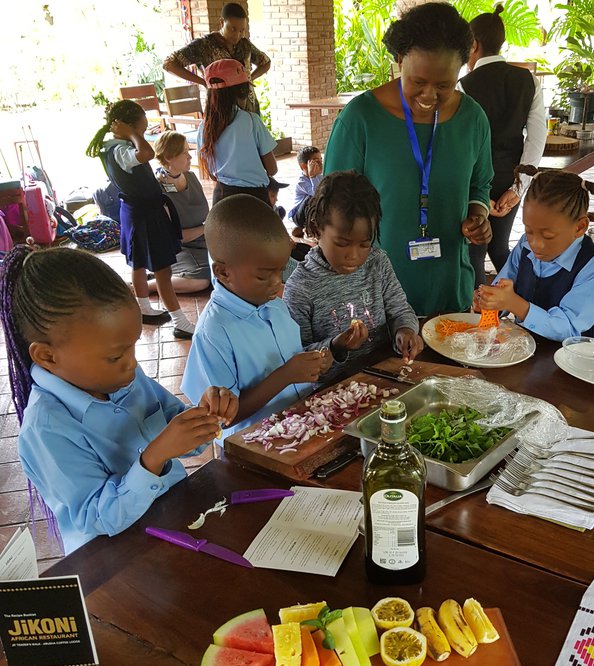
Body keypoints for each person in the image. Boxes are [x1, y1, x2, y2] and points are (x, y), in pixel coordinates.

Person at [0, 245, 237, 554]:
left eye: (133, 347)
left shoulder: (125, 378)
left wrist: (204, 416)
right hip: (116, 559)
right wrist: (153, 458)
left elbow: (182, 435)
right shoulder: (46, 429)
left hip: (174, 521)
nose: (133, 364)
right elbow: (97, 518)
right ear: (47, 355)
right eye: (115, 356)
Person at [323, 2, 493, 317]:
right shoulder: (361, 119)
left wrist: (477, 216)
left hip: (449, 288)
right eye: (418, 82)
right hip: (375, 298)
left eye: (444, 85)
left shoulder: (472, 119)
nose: (429, 95)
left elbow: (479, 184)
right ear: (399, 59)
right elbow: (333, 205)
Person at [181, 195, 332, 437]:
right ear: (223, 272)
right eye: (264, 276)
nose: (277, 283)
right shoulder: (214, 332)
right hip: (254, 443)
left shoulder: (274, 306)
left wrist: (315, 362)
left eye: (280, 271)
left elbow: (294, 360)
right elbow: (223, 419)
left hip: (299, 426)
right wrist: (285, 376)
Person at [284, 172, 422, 384]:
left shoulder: (378, 263)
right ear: (316, 228)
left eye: (364, 244)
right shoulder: (300, 287)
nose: (354, 255)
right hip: (334, 392)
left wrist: (405, 330)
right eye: (342, 243)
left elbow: (400, 310)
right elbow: (298, 358)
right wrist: (336, 346)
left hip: (387, 375)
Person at [86, 100, 196, 339]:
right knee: (162, 269)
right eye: (141, 127)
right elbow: (146, 153)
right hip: (145, 214)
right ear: (128, 127)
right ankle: (180, 321)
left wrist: (131, 134)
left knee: (137, 263)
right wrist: (133, 134)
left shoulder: (112, 147)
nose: (143, 132)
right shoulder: (121, 149)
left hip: (135, 211)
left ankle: (144, 308)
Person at [459, 4, 547, 289]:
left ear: (473, 44)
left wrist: (480, 198)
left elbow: (461, 145)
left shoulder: (463, 86)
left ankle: (475, 312)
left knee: (474, 251)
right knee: (498, 248)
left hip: (474, 183)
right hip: (511, 178)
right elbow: (536, 137)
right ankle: (522, 297)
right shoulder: (529, 81)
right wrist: (518, 186)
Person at [478, 166, 594, 341]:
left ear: (580, 227)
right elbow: (504, 285)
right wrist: (490, 301)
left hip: (569, 361)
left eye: (548, 236)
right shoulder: (525, 245)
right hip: (523, 351)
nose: (535, 243)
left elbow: (568, 328)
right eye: (529, 230)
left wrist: (514, 303)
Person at [163, 2, 270, 114]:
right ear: (221, 22)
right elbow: (169, 64)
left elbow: (266, 63)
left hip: (249, 108)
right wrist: (203, 81)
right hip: (221, 110)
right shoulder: (204, 45)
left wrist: (249, 78)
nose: (237, 35)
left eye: (241, 30)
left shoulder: (244, 45)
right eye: (233, 29)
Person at [198, 59, 278, 205]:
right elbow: (272, 169)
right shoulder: (252, 121)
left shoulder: (204, 127)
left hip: (221, 197)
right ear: (242, 92)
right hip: (254, 199)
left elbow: (211, 172)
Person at [153, 131, 211, 293]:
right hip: (177, 248)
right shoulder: (158, 190)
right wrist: (207, 228)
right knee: (200, 281)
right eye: (184, 153)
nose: (190, 157)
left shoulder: (191, 177)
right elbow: (176, 237)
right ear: (168, 157)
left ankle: (164, 276)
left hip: (201, 241)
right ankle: (148, 286)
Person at [288, 146, 323, 229]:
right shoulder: (301, 182)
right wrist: (313, 177)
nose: (321, 163)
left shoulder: (320, 176)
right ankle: (304, 227)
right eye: (316, 161)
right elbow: (317, 195)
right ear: (304, 166)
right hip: (299, 216)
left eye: (321, 160)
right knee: (311, 198)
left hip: (311, 213)